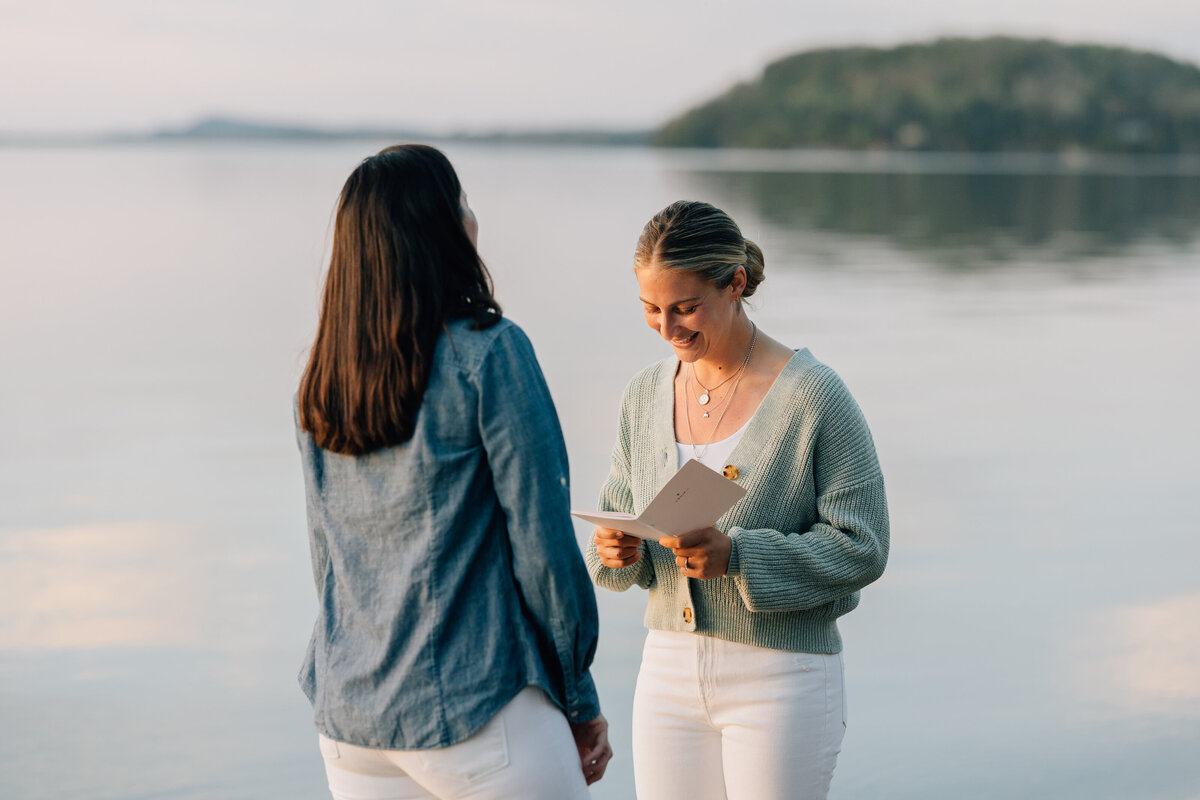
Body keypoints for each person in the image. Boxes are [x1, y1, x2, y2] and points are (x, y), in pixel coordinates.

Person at [295, 144, 610, 800]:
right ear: (440, 228)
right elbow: (544, 549)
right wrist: (577, 697)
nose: (474, 217)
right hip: (479, 713)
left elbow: (327, 561)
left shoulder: (324, 378)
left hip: (353, 724)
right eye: (462, 203)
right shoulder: (490, 352)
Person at [587, 200, 889, 800]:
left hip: (783, 678)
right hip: (667, 673)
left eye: (686, 308)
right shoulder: (645, 395)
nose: (669, 330)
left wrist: (740, 556)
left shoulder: (813, 395)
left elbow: (864, 546)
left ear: (736, 283)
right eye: (651, 310)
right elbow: (621, 512)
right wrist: (616, 548)